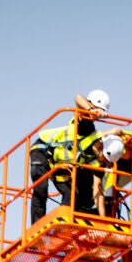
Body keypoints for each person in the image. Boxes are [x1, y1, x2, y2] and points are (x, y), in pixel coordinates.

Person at [29, 90, 113, 224]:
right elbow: (78, 97)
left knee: (72, 193)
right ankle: (37, 225)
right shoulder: (84, 122)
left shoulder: (95, 148)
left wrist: (104, 222)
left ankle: (65, 221)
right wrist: (92, 110)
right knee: (41, 187)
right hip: (43, 148)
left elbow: (98, 190)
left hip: (59, 160)